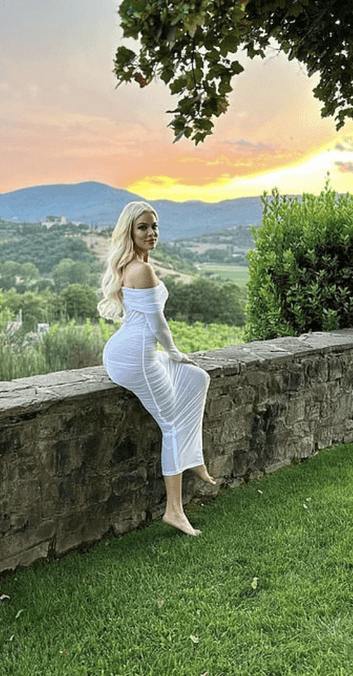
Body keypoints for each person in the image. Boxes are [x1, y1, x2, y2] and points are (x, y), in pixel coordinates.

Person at [99, 201, 216, 536]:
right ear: (130, 232)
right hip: (137, 357)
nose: (151, 233)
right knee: (172, 425)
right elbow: (158, 324)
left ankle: (193, 458)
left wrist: (174, 357)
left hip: (129, 352)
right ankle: (174, 511)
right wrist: (175, 351)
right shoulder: (140, 269)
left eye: (154, 227)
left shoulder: (136, 264)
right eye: (143, 228)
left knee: (197, 378)